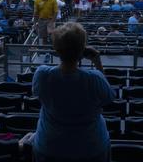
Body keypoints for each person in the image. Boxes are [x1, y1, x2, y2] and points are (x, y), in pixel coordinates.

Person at [32, 22, 114, 162]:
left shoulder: (42, 75)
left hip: (50, 147)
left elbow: (37, 93)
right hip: (91, 148)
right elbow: (108, 98)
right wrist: (97, 62)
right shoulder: (94, 78)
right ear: (83, 49)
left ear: (56, 49)